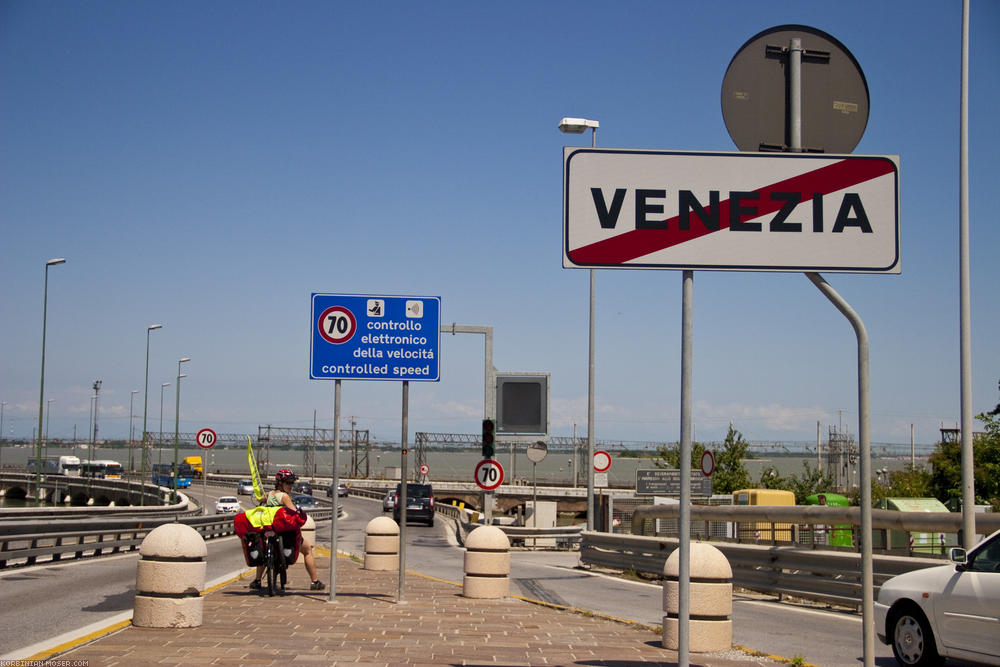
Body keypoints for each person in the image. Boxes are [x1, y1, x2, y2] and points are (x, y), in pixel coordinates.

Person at [249, 469, 325, 591]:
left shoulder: (269, 495)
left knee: (264, 549)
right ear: (280, 483)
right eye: (288, 483)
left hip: (270, 529)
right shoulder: (284, 497)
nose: (291, 486)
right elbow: (294, 513)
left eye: (292, 483)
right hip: (284, 532)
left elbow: (259, 500)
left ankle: (257, 580)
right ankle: (314, 581)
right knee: (307, 550)